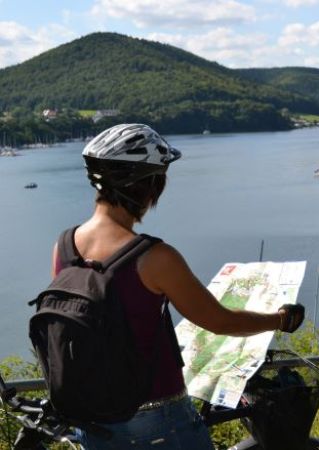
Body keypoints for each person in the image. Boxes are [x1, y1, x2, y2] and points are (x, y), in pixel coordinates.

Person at [51, 123, 305, 449]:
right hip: (158, 422)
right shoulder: (154, 257)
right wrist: (280, 319)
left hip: (93, 421)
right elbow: (220, 321)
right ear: (150, 184)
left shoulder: (63, 247)